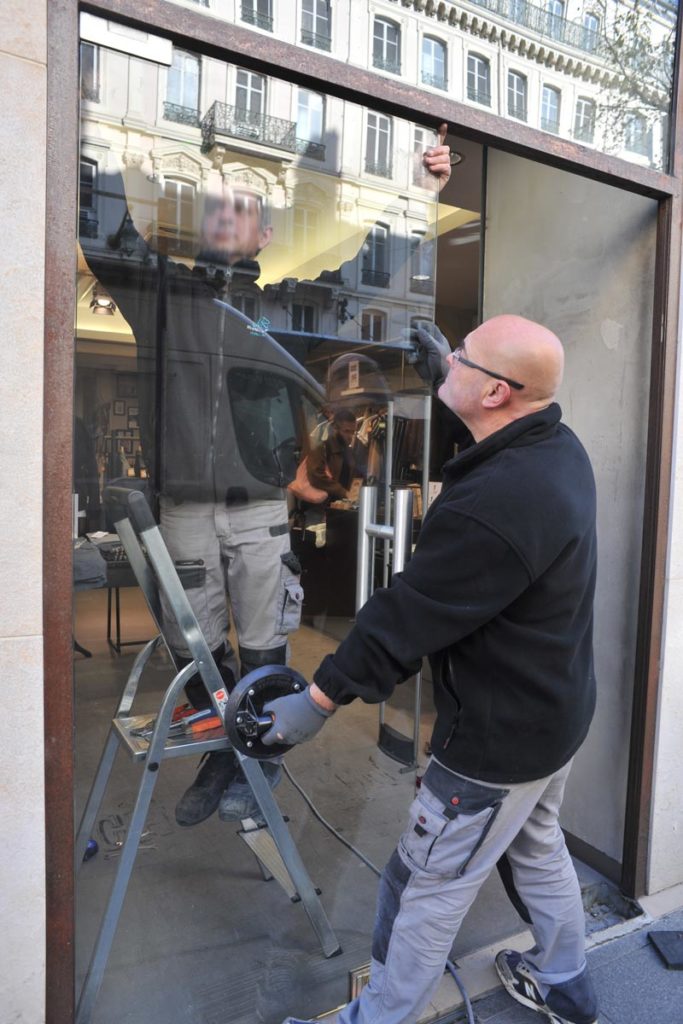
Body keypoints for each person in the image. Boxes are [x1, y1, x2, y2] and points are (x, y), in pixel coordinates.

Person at [81, 127, 454, 829]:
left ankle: (252, 754)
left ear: (267, 232)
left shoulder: (285, 310)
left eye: (243, 208)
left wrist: (417, 194)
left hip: (258, 508)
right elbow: (105, 225)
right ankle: (231, 753)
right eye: (216, 207)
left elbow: (369, 269)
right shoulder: (163, 297)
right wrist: (97, 123)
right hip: (186, 506)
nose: (227, 216)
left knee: (262, 638)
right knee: (200, 644)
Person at [261, 315, 599, 1024]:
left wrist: (317, 699)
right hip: (553, 714)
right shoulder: (553, 445)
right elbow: (486, 452)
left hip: (495, 739)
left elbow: (405, 614)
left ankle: (376, 1018)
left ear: (499, 391)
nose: (448, 358)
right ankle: (565, 981)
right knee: (535, 849)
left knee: (424, 883)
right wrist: (452, 370)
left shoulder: (500, 502)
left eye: (463, 359)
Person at [306, 408, 359, 501]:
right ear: (335, 428)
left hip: (340, 506)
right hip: (319, 506)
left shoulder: (349, 451)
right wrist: (343, 492)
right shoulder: (322, 448)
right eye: (346, 431)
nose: (350, 436)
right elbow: (316, 475)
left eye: (353, 432)